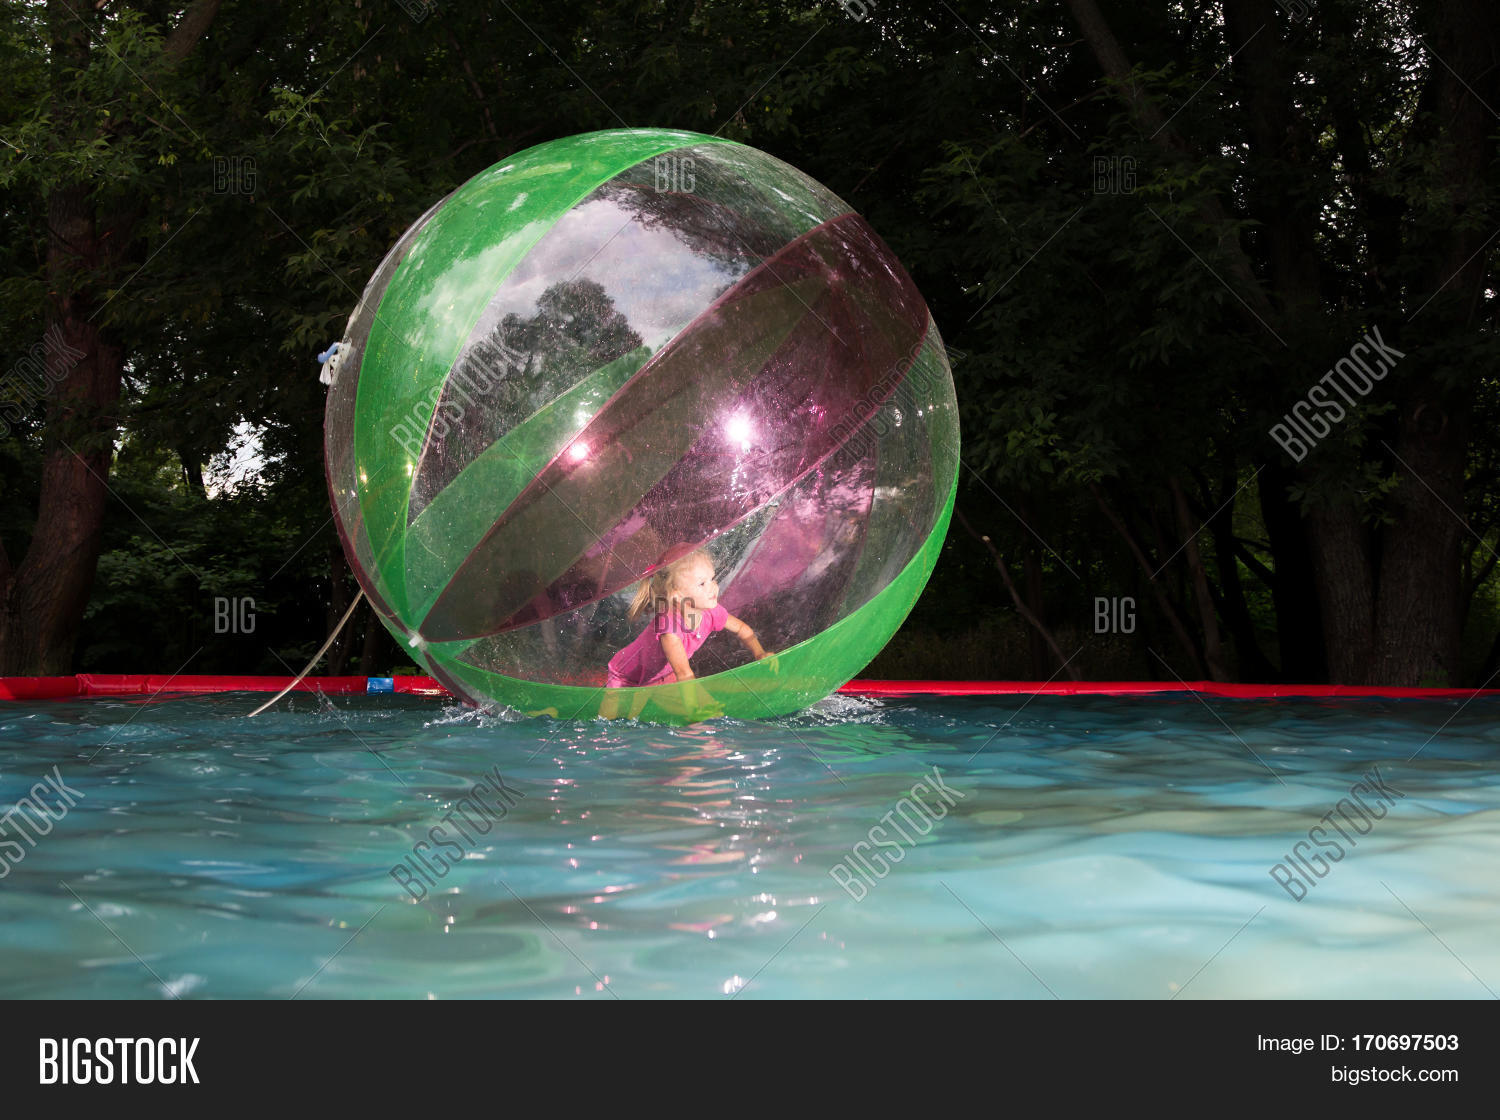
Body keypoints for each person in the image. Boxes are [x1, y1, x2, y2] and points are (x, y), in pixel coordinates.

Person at [606, 546, 772, 689]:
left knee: (709, 712)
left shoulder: (711, 612)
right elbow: (685, 675)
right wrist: (693, 708)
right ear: (678, 596)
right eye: (702, 584)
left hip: (663, 675)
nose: (713, 587)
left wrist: (760, 653)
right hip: (626, 677)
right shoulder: (669, 629)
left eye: (712, 579)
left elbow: (742, 629)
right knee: (616, 717)